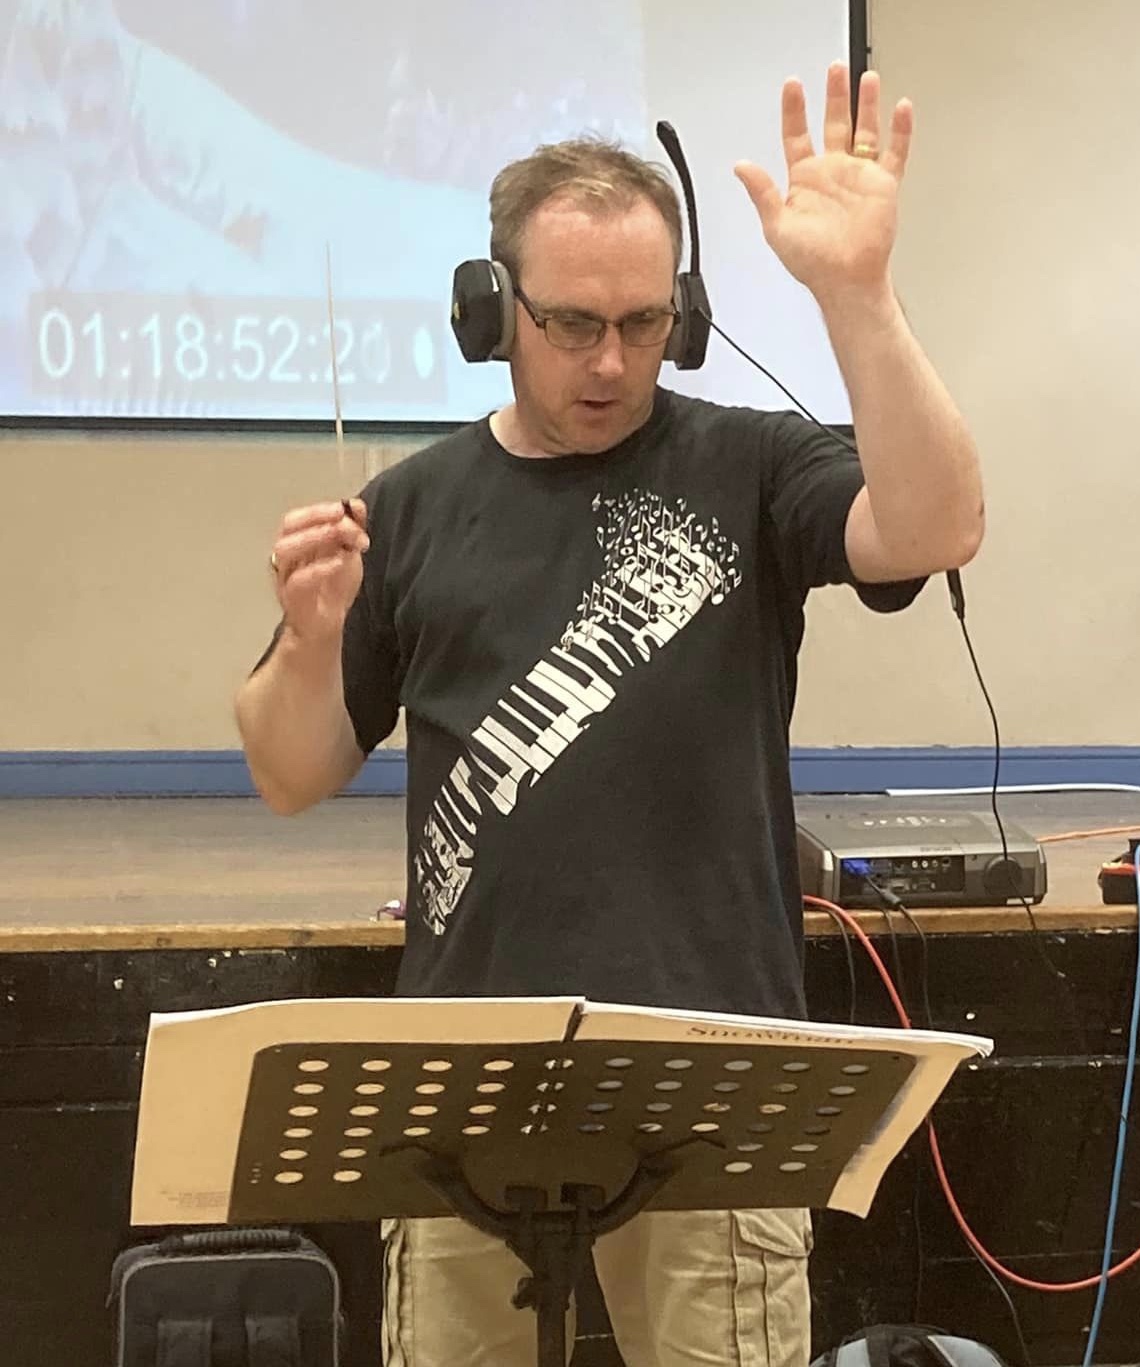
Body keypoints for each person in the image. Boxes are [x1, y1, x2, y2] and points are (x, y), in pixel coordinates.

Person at [235, 62, 984, 1367]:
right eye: (572, 321)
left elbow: (935, 522)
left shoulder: (748, 466)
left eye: (642, 323)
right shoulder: (412, 508)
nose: (606, 360)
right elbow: (293, 769)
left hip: (713, 1080)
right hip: (460, 1098)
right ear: (491, 311)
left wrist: (855, 297)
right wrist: (309, 649)